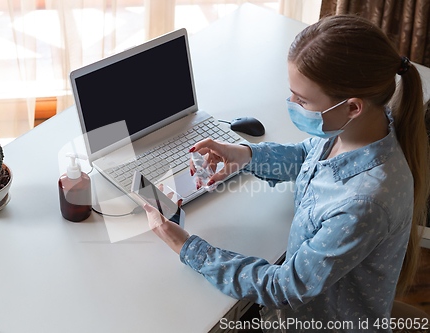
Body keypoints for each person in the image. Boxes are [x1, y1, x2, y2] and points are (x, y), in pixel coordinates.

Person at [143, 14, 429, 333]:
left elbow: (284, 288)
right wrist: (246, 156)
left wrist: (188, 247)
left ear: (352, 107)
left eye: (302, 99)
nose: (290, 103)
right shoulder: (362, 128)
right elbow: (307, 155)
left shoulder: (364, 204)